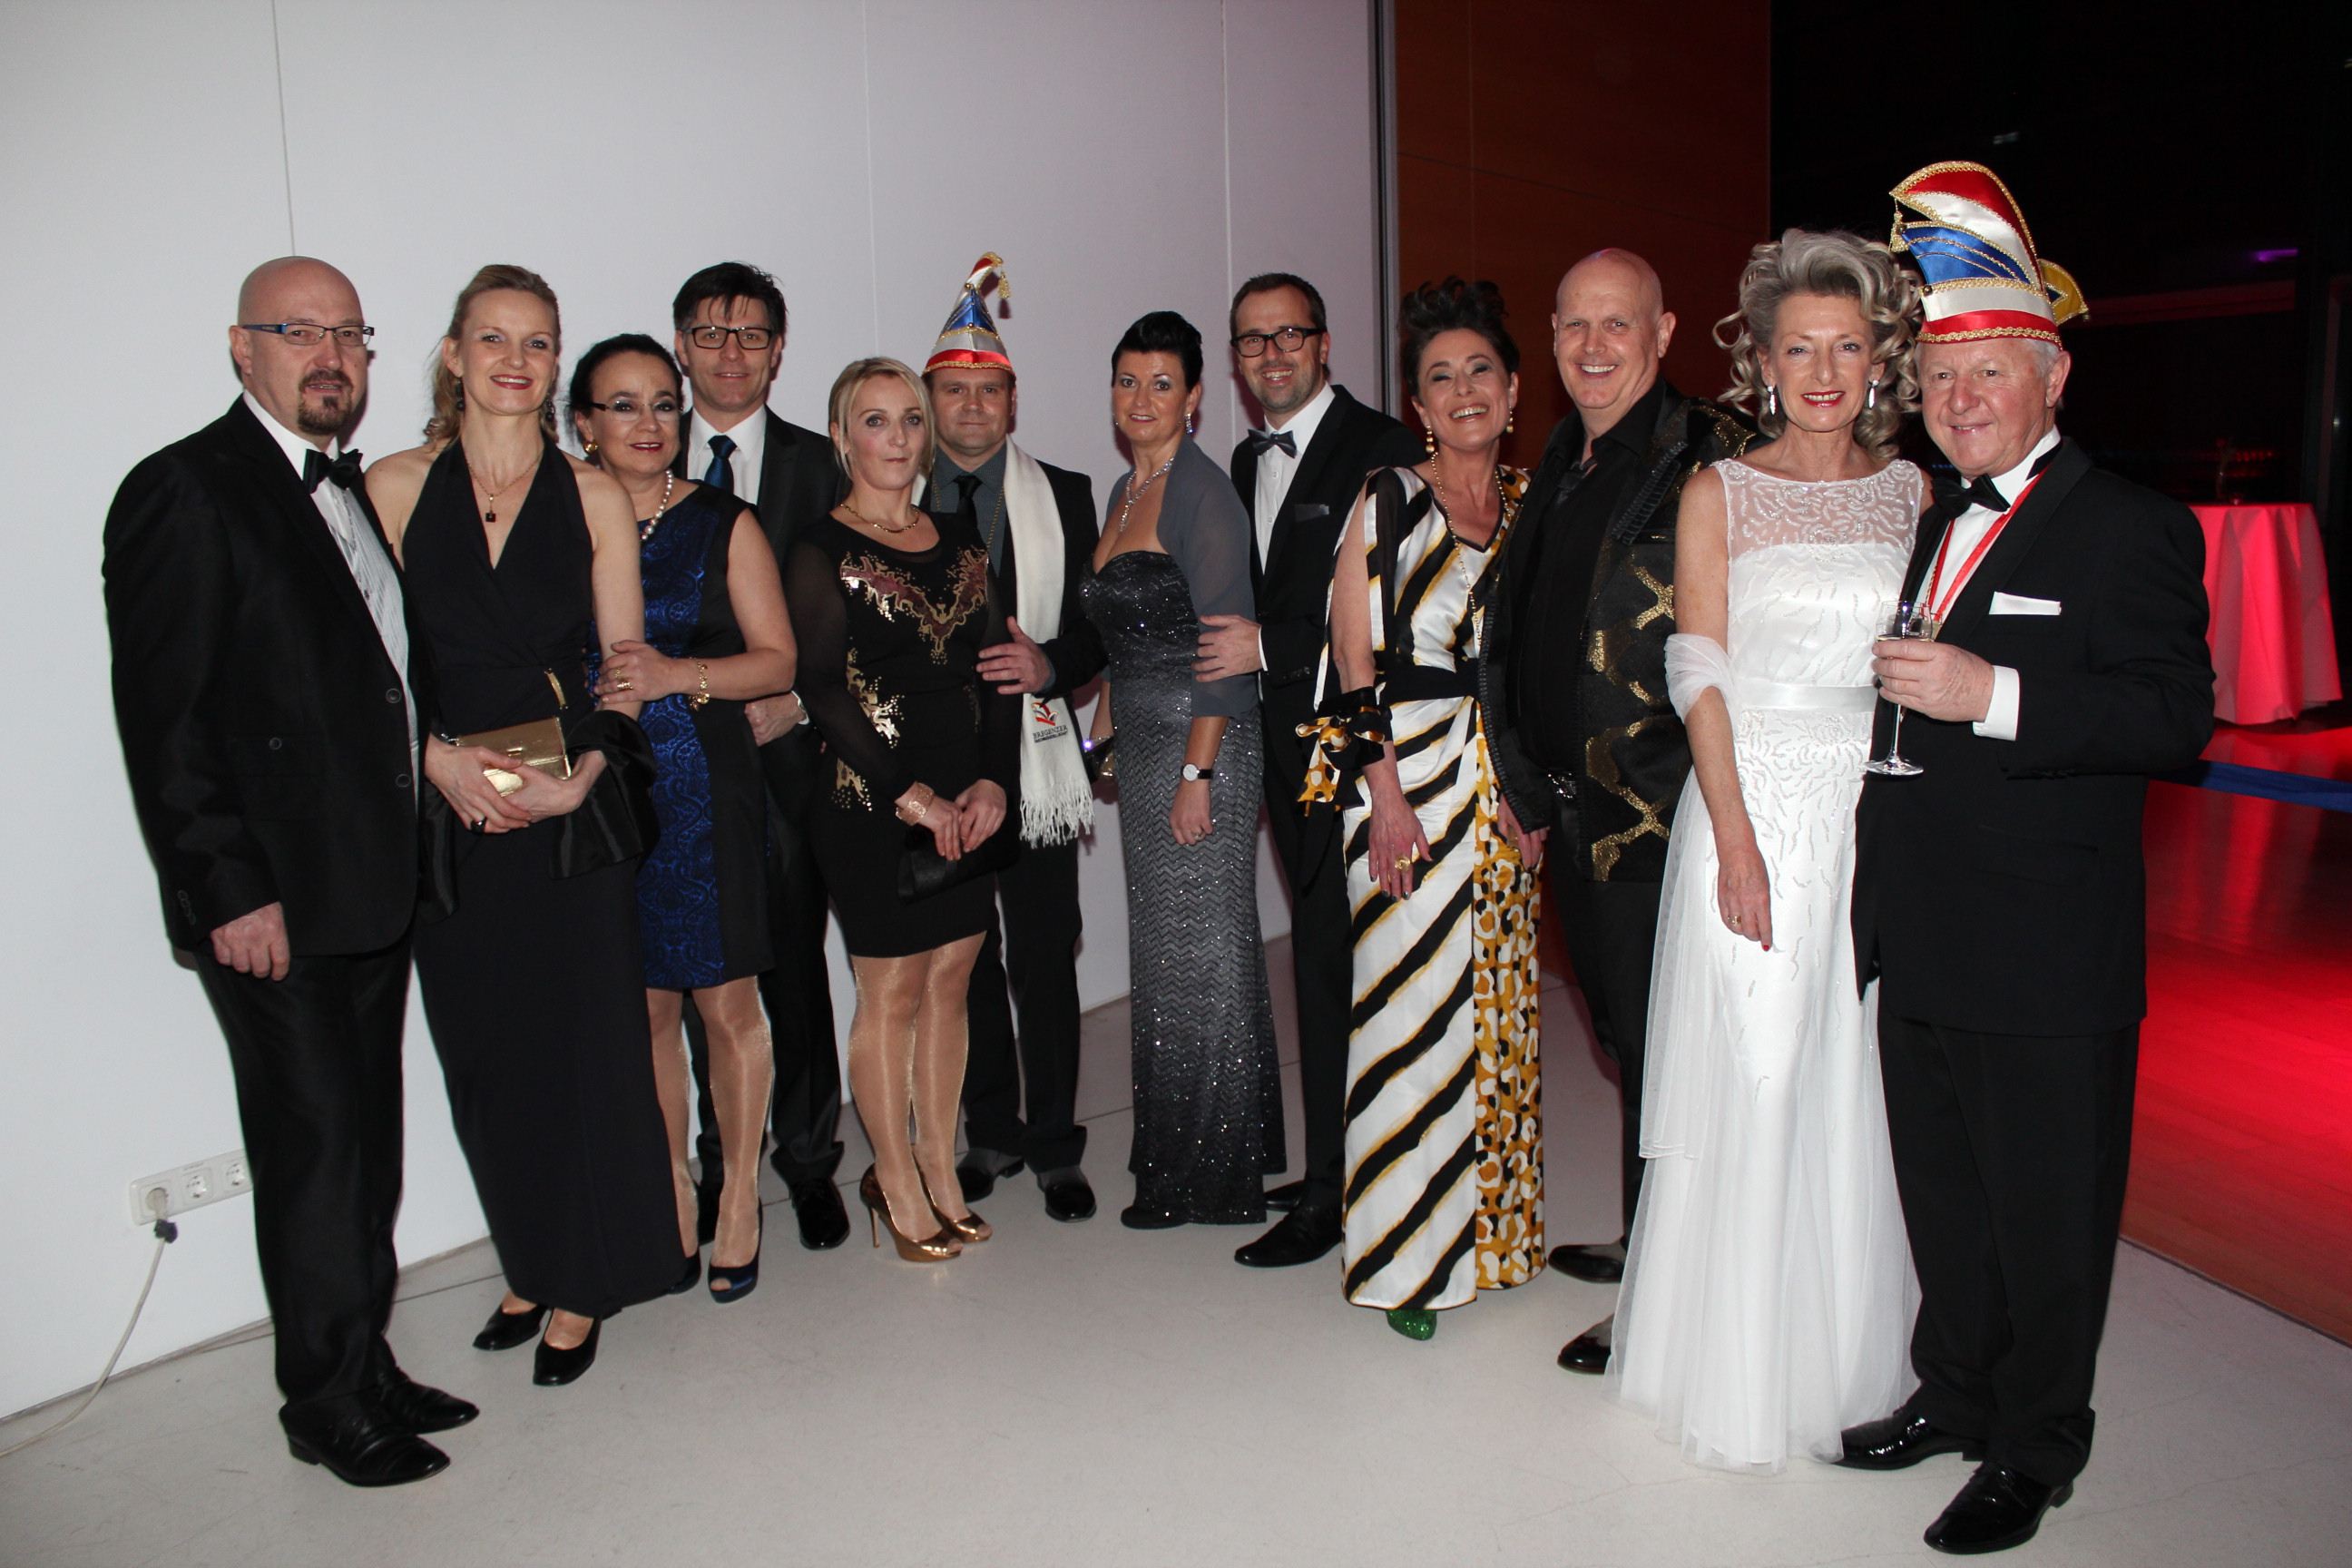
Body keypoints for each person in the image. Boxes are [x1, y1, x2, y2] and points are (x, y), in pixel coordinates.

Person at [1842, 162, 2213, 1555]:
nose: (1960, 399)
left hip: (2051, 953)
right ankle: (1955, 1395)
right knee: (1945, 1198)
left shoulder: (2130, 526)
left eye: (1989, 372)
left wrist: (1989, 692)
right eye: (1942, 379)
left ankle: (2040, 1444)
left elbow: (2174, 718)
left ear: (2053, 378)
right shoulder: (1928, 518)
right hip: (1926, 927)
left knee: (2049, 1219)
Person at [103, 257, 471, 1487]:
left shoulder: (342, 485)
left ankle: (366, 1361)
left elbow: (377, 683)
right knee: (314, 1153)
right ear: (241, 347)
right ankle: (323, 1401)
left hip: (369, 884)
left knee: (368, 1142)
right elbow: (165, 722)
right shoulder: (185, 489)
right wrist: (226, 892)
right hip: (275, 904)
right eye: (298, 331)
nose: (330, 356)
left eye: (349, 335)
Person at [1602, 231, 1925, 1469]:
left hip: (1870, 809)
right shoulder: (1720, 491)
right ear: (1766, 362)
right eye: (1801, 349)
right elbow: (1698, 666)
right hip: (1754, 802)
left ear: (1878, 359)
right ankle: (1735, 1373)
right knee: (1767, 1066)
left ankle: (1844, 1362)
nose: (1825, 371)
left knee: (1855, 1078)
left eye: (1847, 347)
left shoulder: (1911, 492)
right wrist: (1736, 839)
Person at [367, 265, 679, 1387]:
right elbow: (366, 666)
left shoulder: (594, 496)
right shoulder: (392, 488)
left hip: (565, 810)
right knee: (487, 1056)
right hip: (451, 810)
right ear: (454, 354)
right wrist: (435, 760)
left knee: (588, 1047)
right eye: (492, 338)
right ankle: (531, 1258)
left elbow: (626, 670)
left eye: (538, 342)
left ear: (555, 365)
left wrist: (586, 773)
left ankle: (584, 1279)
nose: (515, 360)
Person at [1482, 249, 1754, 1375]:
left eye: (1618, 324)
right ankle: (1654, 1241)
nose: (1592, 347)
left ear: (1665, 331)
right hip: (1573, 813)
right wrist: (1520, 774)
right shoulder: (1562, 453)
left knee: (1666, 1051)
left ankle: (1667, 1294)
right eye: (1573, 325)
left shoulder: (1716, 452)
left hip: (1663, 815)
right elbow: (1522, 627)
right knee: (1627, 1039)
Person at [1306, 279, 1543, 1340]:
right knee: (1409, 1014)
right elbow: (1352, 658)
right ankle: (1404, 1259)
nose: (1463, 389)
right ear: (1418, 403)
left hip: (1502, 790)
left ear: (1514, 388)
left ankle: (1490, 1239)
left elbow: (1536, 671)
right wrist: (1386, 796)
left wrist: (1533, 796)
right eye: (1440, 376)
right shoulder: (1389, 498)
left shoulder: (1532, 506)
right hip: (1403, 778)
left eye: (1480, 369)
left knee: (1495, 1007)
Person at [1208, 272, 1425, 1271]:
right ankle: (1332, 1166)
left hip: (1357, 748)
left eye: (1289, 335)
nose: (1272, 355)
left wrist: (1265, 647)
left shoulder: (1385, 447)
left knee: (1345, 962)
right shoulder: (1243, 459)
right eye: (1252, 341)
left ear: (1325, 344)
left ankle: (1336, 1196)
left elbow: (1389, 619)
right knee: (1319, 958)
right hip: (1280, 750)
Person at [572, 335, 796, 1302]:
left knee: (725, 1005)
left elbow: (779, 660)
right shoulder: (556, 520)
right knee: (645, 1009)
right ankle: (671, 1193)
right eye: (623, 405)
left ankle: (738, 1197)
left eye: (664, 403)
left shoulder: (721, 521)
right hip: (597, 792)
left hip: (705, 787)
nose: (650, 423)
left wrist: (677, 675)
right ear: (583, 423)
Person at [780, 357, 1018, 1262]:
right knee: (892, 989)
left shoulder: (961, 538)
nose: (896, 438)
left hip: (966, 790)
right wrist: (909, 796)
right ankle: (893, 1177)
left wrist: (994, 781)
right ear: (842, 437)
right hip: (867, 793)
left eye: (910, 420)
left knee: (954, 973)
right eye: (874, 421)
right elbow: (820, 687)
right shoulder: (818, 547)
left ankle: (937, 1168)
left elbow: (997, 666)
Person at [1083, 311, 1282, 1230]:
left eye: (1161, 383)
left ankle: (1206, 1177)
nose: (1142, 399)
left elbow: (1225, 646)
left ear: (1195, 398)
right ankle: (1202, 1148)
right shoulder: (1127, 488)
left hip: (1206, 747)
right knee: (1174, 956)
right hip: (1148, 745)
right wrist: (1100, 739)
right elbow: (1124, 643)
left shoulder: (1201, 492)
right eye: (1128, 381)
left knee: (1198, 956)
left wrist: (1197, 778)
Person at [916, 258, 1106, 1223]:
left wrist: (1051, 664)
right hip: (937, 770)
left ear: (1013, 401)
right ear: (930, 399)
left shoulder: (1065, 495)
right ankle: (988, 1129)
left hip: (1034, 758)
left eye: (989, 391)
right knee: (965, 959)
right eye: (955, 390)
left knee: (1041, 953)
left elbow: (1099, 632)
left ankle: (1057, 1144)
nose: (973, 407)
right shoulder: (893, 498)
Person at [671, 261, 851, 1252]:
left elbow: (861, 616)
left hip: (788, 763)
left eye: (751, 335)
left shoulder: (821, 465)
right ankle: (716, 1165)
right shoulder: (636, 456)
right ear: (681, 346)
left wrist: (800, 701)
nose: (730, 353)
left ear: (779, 351)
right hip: (677, 767)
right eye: (710, 332)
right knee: (699, 975)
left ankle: (811, 1161)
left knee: (793, 969)